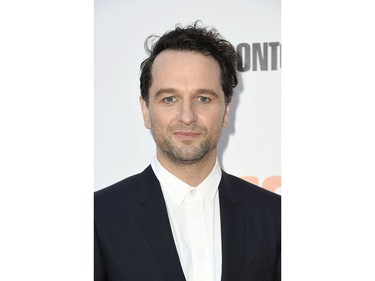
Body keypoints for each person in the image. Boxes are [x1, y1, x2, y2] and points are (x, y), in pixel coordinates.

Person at [94, 21, 281, 281]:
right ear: (146, 110)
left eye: (203, 98)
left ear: (226, 111)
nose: (186, 116)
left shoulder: (275, 217)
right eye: (169, 99)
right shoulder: (97, 218)